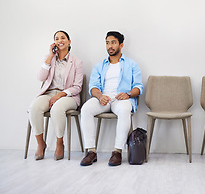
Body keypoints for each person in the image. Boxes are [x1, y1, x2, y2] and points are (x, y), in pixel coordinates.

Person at [80, 31, 143, 166]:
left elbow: (138, 87)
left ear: (121, 45)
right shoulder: (99, 66)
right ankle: (91, 151)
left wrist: (128, 94)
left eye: (113, 42)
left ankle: (117, 151)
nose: (110, 46)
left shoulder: (131, 65)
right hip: (103, 98)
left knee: (125, 109)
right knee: (86, 109)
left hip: (121, 99)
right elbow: (93, 87)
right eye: (107, 43)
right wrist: (100, 96)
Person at [29, 30, 83, 161]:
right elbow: (40, 77)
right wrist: (49, 56)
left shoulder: (76, 62)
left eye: (63, 38)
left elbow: (77, 87)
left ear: (69, 41)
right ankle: (41, 143)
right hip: (49, 93)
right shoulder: (49, 59)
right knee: (34, 108)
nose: (60, 40)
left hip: (68, 96)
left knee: (57, 109)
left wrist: (60, 96)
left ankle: (60, 143)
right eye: (57, 38)